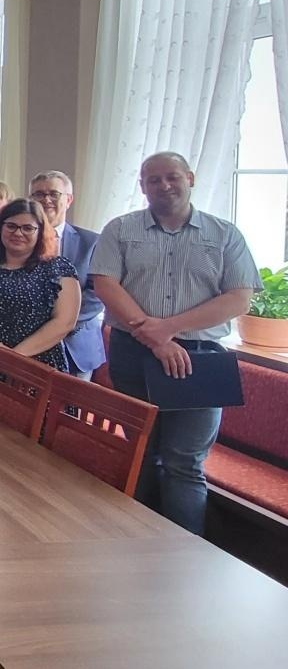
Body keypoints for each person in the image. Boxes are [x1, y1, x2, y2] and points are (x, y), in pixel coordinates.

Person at [90, 152, 261, 536]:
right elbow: (106, 284)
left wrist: (168, 329)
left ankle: (184, 554)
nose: (164, 186)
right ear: (142, 185)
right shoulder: (120, 229)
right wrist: (152, 336)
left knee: (185, 461)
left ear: (190, 178)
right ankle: (136, 541)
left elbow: (238, 298)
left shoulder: (225, 234)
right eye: (154, 180)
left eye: (172, 177)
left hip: (199, 361)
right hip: (133, 352)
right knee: (142, 453)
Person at [0, 199, 83, 402]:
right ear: (0, 227)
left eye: (28, 228)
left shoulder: (57, 268)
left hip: (35, 369)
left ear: (40, 232)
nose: (18, 233)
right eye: (11, 226)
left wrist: (11, 358)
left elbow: (64, 322)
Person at [30, 171, 106, 380]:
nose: (46, 200)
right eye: (38, 194)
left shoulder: (92, 242)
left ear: (69, 199)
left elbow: (98, 293)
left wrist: (60, 322)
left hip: (76, 347)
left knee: (72, 412)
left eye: (54, 194)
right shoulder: (19, 240)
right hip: (29, 343)